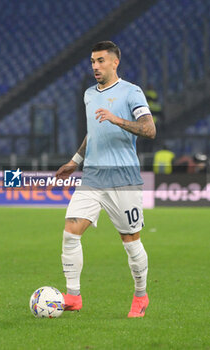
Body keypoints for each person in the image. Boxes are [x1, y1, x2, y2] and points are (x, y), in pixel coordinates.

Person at [56, 41, 156, 318]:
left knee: (131, 241)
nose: (95, 67)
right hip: (93, 176)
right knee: (70, 233)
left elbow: (149, 129)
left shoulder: (131, 92)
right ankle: (73, 296)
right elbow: (93, 133)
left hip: (123, 177)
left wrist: (117, 120)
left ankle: (140, 295)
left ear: (115, 62)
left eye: (100, 61)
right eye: (92, 61)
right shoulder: (89, 94)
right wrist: (74, 161)